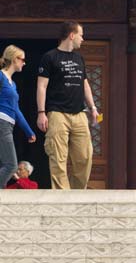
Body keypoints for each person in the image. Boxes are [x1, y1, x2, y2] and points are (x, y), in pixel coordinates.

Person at [36, 21, 98, 189]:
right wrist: (41, 112)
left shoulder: (79, 58)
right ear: (72, 35)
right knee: (58, 157)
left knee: (85, 156)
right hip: (57, 113)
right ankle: (62, 196)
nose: (83, 39)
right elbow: (42, 86)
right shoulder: (49, 57)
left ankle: (77, 193)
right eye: (81, 35)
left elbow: (85, 84)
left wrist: (92, 107)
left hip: (79, 114)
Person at [0, 45, 36, 189]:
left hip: (8, 125)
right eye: (22, 59)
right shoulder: (1, 77)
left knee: (7, 164)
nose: (24, 62)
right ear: (14, 59)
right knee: (11, 165)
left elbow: (16, 110)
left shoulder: (12, 84)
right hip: (1, 122)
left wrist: (29, 131)